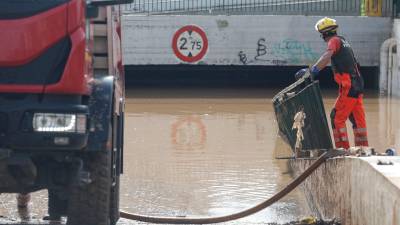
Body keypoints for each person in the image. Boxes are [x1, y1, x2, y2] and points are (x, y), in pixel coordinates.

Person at [296, 17, 369, 150]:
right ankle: (363, 149)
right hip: (358, 85)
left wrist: (312, 71)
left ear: (325, 34)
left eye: (321, 35)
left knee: (336, 118)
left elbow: (327, 56)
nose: (322, 37)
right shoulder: (344, 41)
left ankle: (342, 150)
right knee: (357, 119)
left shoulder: (334, 41)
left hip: (348, 85)